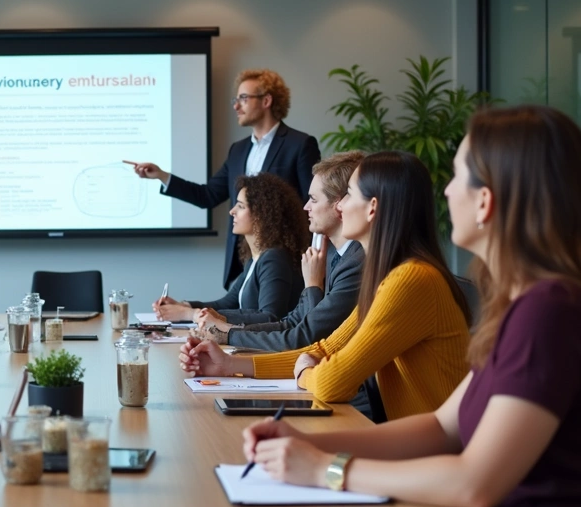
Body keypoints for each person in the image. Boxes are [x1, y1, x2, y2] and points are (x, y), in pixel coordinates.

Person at [234, 105, 581, 507]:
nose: (447, 190)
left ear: (485, 200)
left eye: (457, 176)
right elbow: (442, 426)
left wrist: (326, 469)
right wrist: (309, 444)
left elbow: (475, 483)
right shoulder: (524, 304)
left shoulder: (551, 312)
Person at [180, 151, 471, 421]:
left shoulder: (411, 280)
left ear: (372, 208)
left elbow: (333, 380)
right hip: (406, 439)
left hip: (430, 450)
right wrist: (230, 366)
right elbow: (325, 348)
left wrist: (306, 372)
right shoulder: (391, 277)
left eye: (349, 195)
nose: (340, 206)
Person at [130, 69, 320, 289]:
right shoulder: (238, 150)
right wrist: (162, 176)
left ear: (266, 100)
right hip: (242, 260)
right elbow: (207, 196)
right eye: (235, 99)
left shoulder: (299, 144)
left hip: (285, 261)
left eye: (243, 98)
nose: (236, 106)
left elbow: (312, 203)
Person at [195, 151, 367, 350]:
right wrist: (228, 331)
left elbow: (307, 336)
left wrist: (313, 285)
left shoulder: (355, 262)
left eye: (313, 199)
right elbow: (291, 322)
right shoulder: (329, 255)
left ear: (339, 205)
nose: (306, 207)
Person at [153, 173, 307, 324]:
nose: (232, 211)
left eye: (240, 206)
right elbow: (228, 303)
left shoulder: (274, 259)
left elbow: (270, 317)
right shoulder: (256, 258)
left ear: (262, 214)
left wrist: (193, 315)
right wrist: (184, 306)